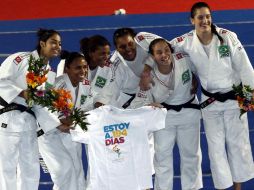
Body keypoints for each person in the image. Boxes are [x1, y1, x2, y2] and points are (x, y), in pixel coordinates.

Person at [169, 2, 254, 190]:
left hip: (235, 98)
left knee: (237, 144)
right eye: (200, 17)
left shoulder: (227, 37)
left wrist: (250, 96)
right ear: (192, 20)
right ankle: (223, 187)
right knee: (215, 149)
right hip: (210, 102)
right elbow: (164, 49)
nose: (205, 20)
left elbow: (245, 67)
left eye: (207, 16)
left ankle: (238, 187)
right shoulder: (185, 42)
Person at [131, 38, 202, 190]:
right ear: (152, 56)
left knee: (191, 155)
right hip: (164, 117)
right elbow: (137, 103)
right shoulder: (148, 75)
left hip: (188, 113)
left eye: (166, 50)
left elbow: (204, 68)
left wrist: (196, 78)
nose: (164, 55)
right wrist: (149, 104)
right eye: (158, 52)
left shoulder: (184, 59)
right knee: (162, 158)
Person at [0, 29, 66, 190]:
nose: (57, 46)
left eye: (60, 43)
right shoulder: (20, 58)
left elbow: (41, 104)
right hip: (8, 119)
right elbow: (0, 80)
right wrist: (22, 92)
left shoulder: (49, 74)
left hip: (29, 124)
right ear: (42, 43)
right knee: (6, 169)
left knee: (30, 169)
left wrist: (57, 123)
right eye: (53, 42)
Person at [38, 51, 93, 190]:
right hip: (50, 133)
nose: (83, 71)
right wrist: (73, 122)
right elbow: (60, 116)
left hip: (70, 133)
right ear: (67, 68)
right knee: (64, 172)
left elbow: (87, 108)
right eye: (78, 67)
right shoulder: (59, 85)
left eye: (85, 67)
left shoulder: (85, 84)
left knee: (77, 171)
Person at [94, 28, 161, 108]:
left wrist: (147, 70)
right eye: (122, 47)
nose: (128, 49)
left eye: (130, 44)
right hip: (133, 97)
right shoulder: (115, 65)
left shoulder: (144, 40)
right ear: (116, 49)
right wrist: (101, 108)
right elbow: (108, 92)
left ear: (134, 40)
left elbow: (169, 48)